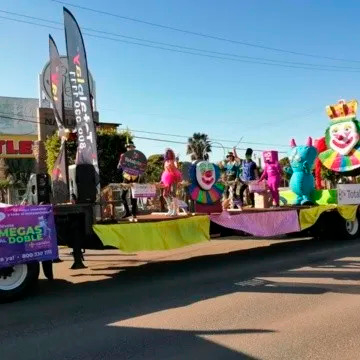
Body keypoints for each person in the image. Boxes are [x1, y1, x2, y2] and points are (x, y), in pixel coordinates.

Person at [118, 142, 139, 222]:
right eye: (128, 147)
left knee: (133, 196)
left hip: (135, 177)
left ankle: (134, 213)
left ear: (134, 148)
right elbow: (119, 167)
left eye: (131, 147)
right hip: (126, 177)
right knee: (122, 195)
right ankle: (127, 212)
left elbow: (141, 166)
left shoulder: (137, 156)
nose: (130, 148)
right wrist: (121, 162)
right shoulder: (123, 155)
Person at [161, 148, 182, 216]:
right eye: (166, 153)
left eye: (169, 152)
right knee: (165, 194)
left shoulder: (174, 161)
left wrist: (174, 164)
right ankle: (170, 209)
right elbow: (166, 170)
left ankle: (175, 211)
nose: (168, 154)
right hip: (167, 179)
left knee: (173, 194)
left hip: (174, 178)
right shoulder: (166, 162)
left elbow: (176, 168)